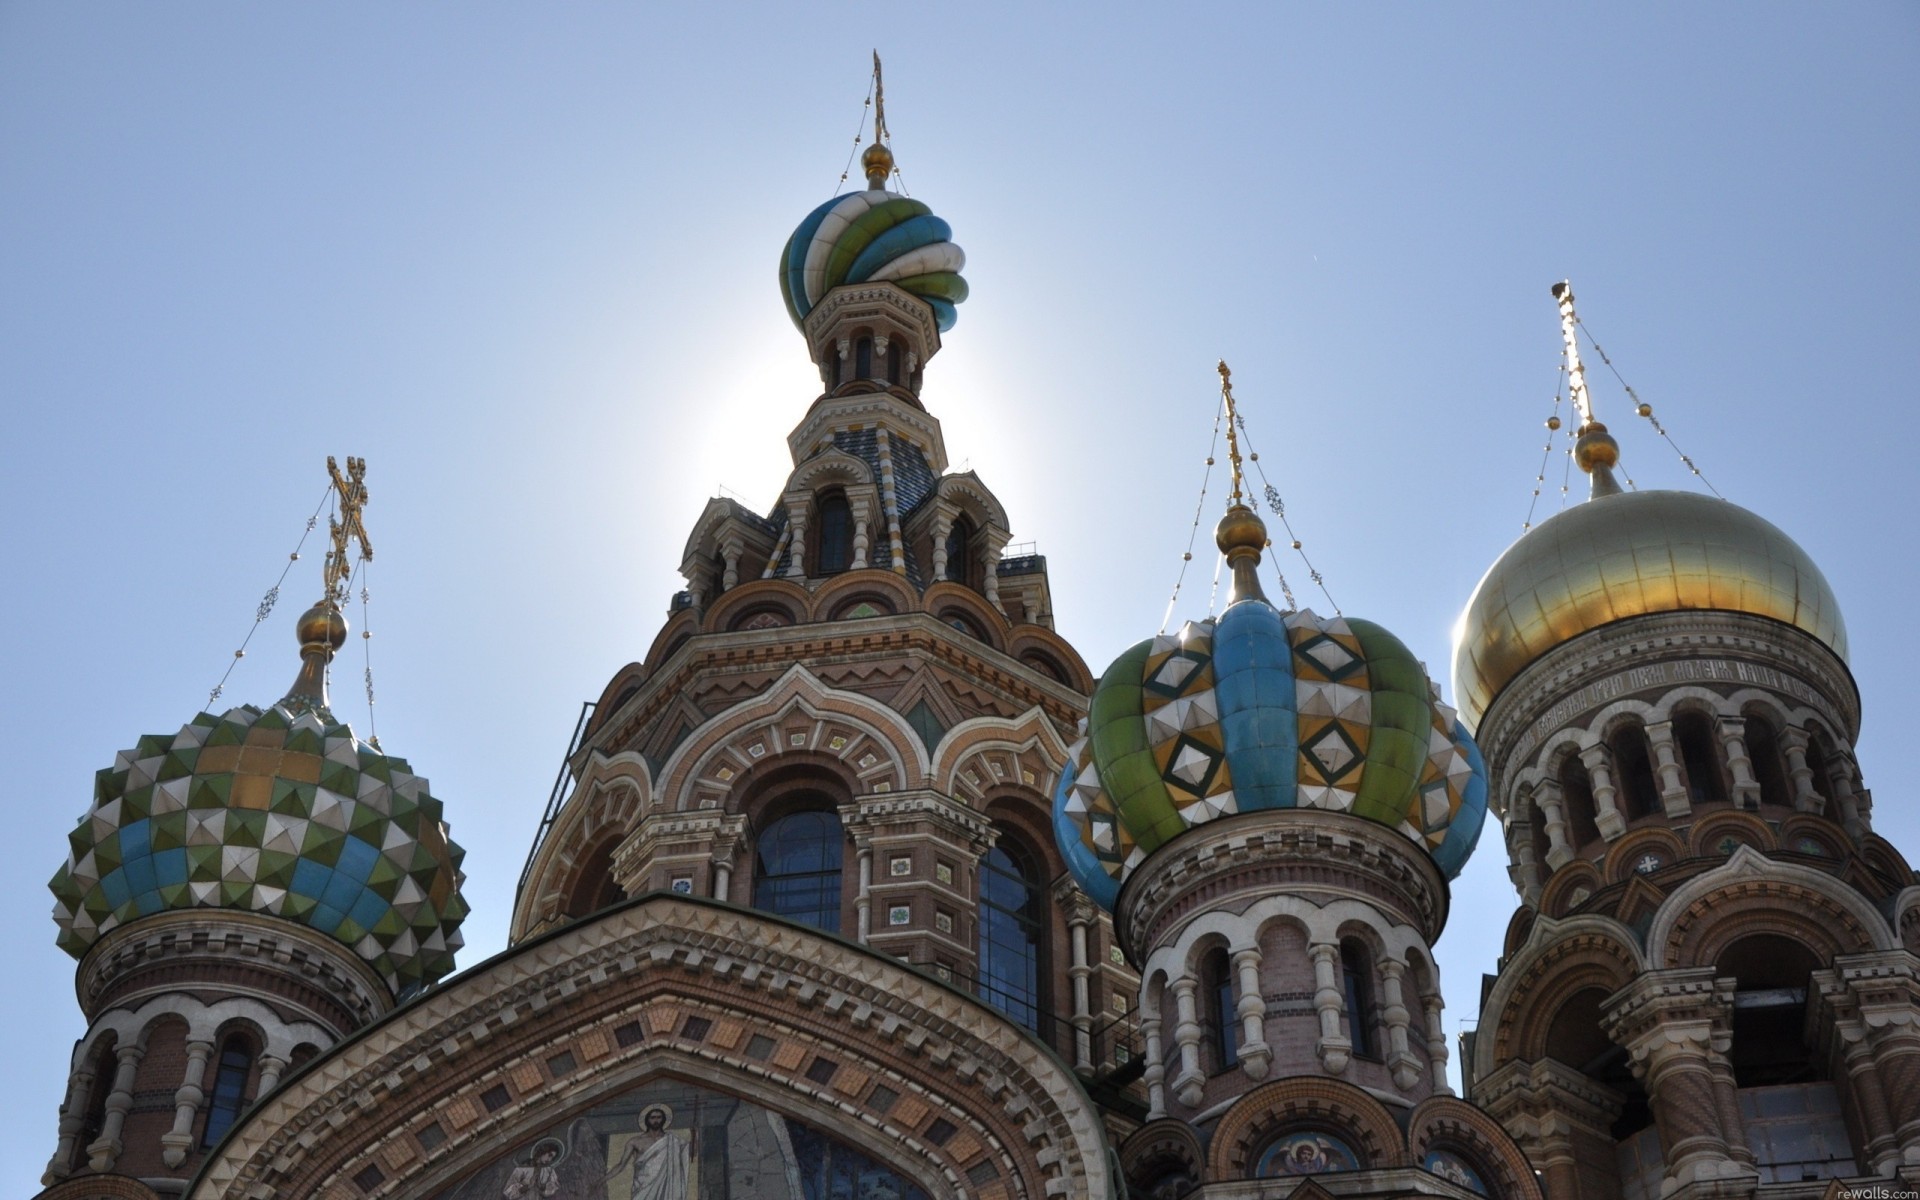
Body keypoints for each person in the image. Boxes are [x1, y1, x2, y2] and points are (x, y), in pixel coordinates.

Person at [604, 1104, 689, 1200]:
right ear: (647, 1120)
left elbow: (688, 1153)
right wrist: (601, 1181)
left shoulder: (673, 1141)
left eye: (659, 1117)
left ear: (664, 1119)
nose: (656, 1121)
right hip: (642, 1186)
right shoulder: (635, 1141)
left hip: (665, 1187)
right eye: (653, 1118)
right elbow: (621, 1165)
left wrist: (695, 1136)